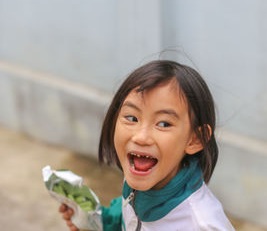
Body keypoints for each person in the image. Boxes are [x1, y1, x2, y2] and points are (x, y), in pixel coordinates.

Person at [59, 60, 235, 230]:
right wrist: (98, 221)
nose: (141, 137)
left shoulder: (201, 224)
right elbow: (127, 218)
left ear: (195, 139)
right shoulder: (139, 182)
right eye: (132, 118)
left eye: (164, 124)